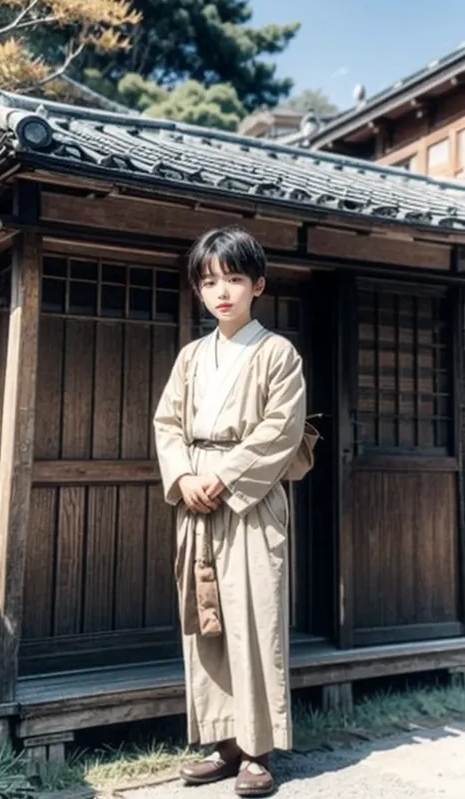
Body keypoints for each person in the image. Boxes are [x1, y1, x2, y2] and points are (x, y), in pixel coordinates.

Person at [153, 225, 306, 797]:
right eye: (210, 281)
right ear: (199, 290)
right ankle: (222, 744)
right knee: (206, 619)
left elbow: (281, 430)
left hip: (249, 499)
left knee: (254, 619)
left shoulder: (278, 354)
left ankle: (259, 752)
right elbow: (168, 423)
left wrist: (222, 474)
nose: (222, 291)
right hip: (196, 499)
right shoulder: (192, 356)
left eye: (234, 279)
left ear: (257, 285)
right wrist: (186, 475)